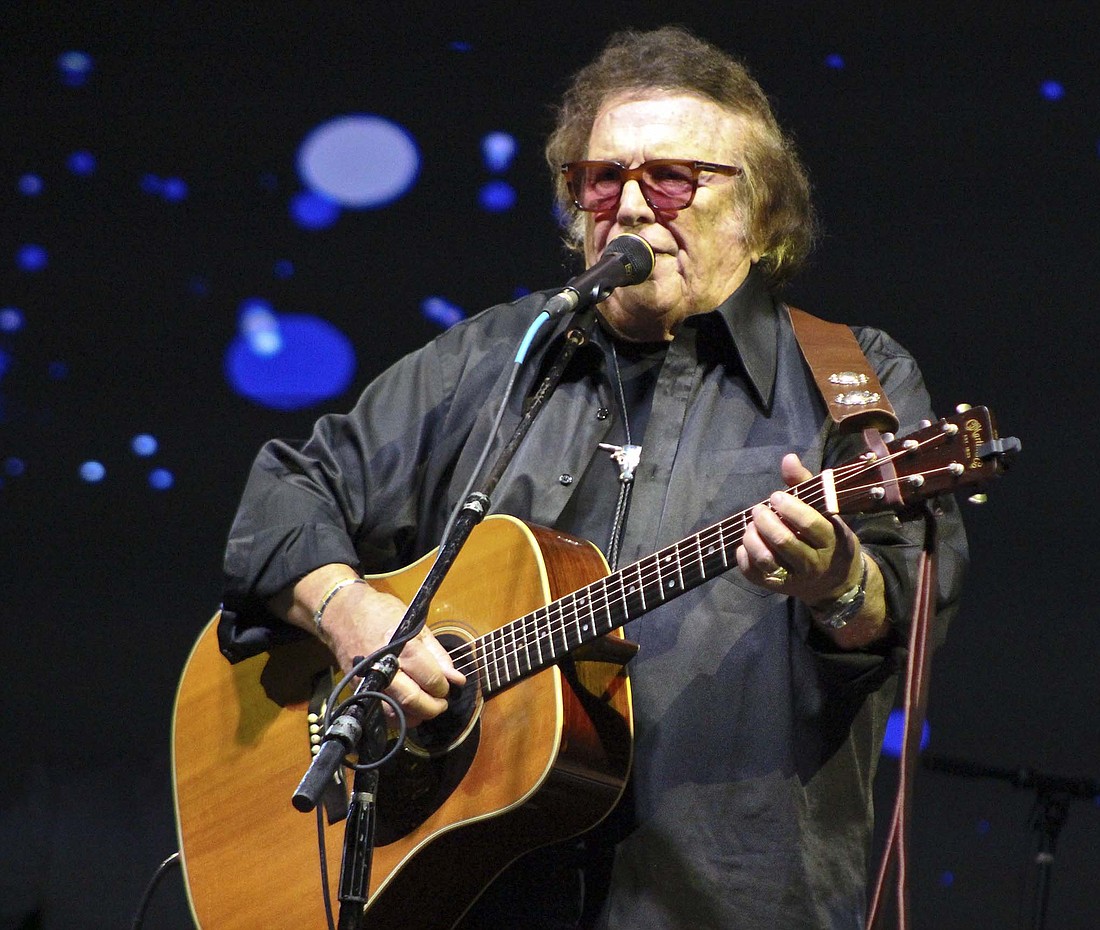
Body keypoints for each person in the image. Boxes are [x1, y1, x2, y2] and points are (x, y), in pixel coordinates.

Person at [219, 25, 966, 930]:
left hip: (726, 900)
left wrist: (837, 582)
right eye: (601, 179)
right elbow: (286, 495)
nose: (633, 206)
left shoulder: (852, 378)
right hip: (470, 901)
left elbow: (899, 609)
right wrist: (353, 618)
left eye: (672, 179)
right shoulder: (497, 357)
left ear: (758, 211)